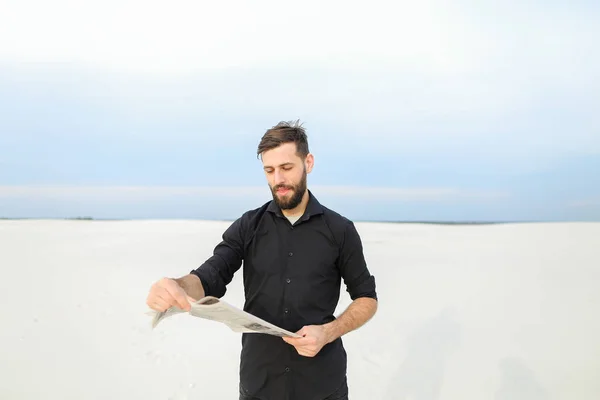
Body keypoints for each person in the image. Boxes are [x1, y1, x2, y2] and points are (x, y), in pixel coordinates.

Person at [146, 120, 378, 400]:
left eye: (287, 168)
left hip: (323, 385)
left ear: (309, 163)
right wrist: (178, 285)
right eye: (269, 170)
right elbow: (211, 275)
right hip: (259, 384)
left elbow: (366, 298)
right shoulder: (248, 226)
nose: (278, 179)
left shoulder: (340, 230)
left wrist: (329, 332)